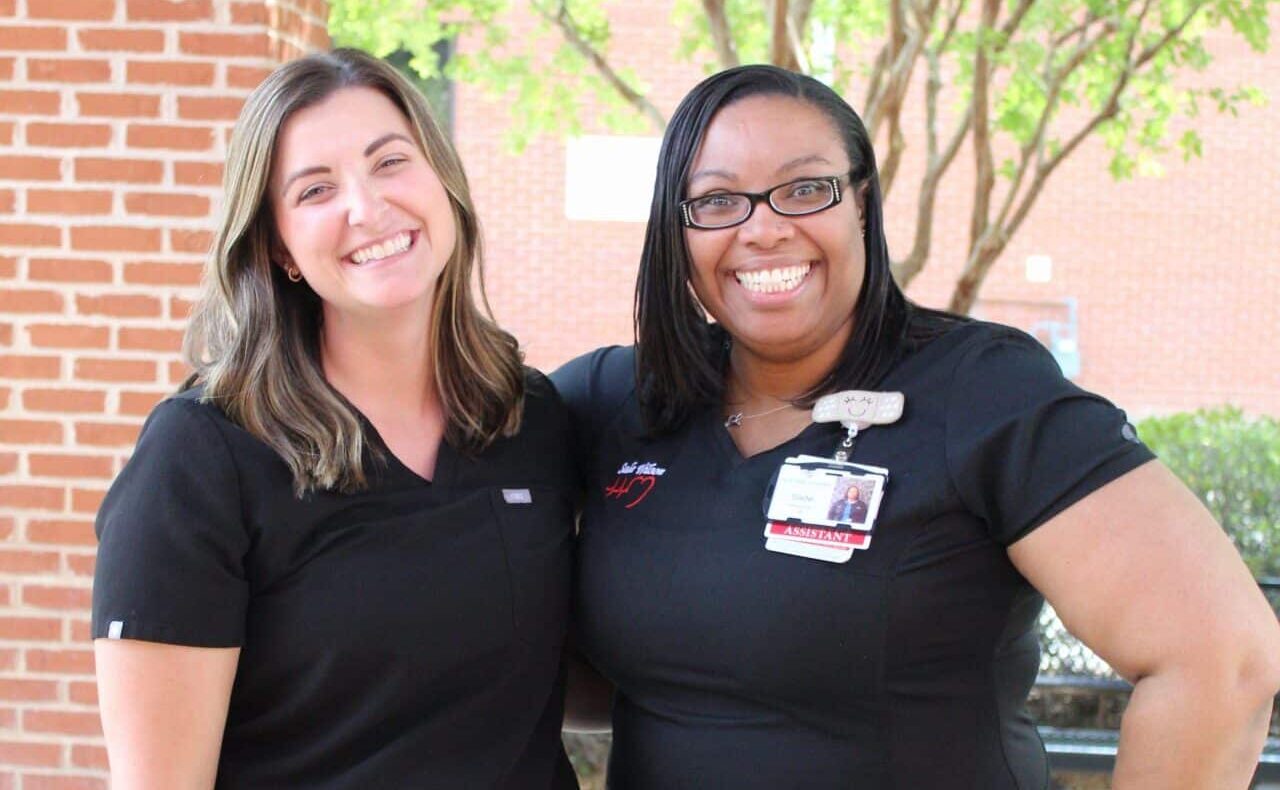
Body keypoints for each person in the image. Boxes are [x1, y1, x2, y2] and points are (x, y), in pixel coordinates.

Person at [553, 64, 1280, 788]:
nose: (764, 229)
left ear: (862, 204)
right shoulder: (619, 400)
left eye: (806, 189)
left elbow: (1223, 659)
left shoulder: (982, 392)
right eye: (715, 201)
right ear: (677, 232)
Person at [93, 49, 578, 789]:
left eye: (390, 162)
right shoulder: (201, 455)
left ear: (442, 179)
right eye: (316, 189)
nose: (367, 207)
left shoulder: (530, 416)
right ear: (279, 245)